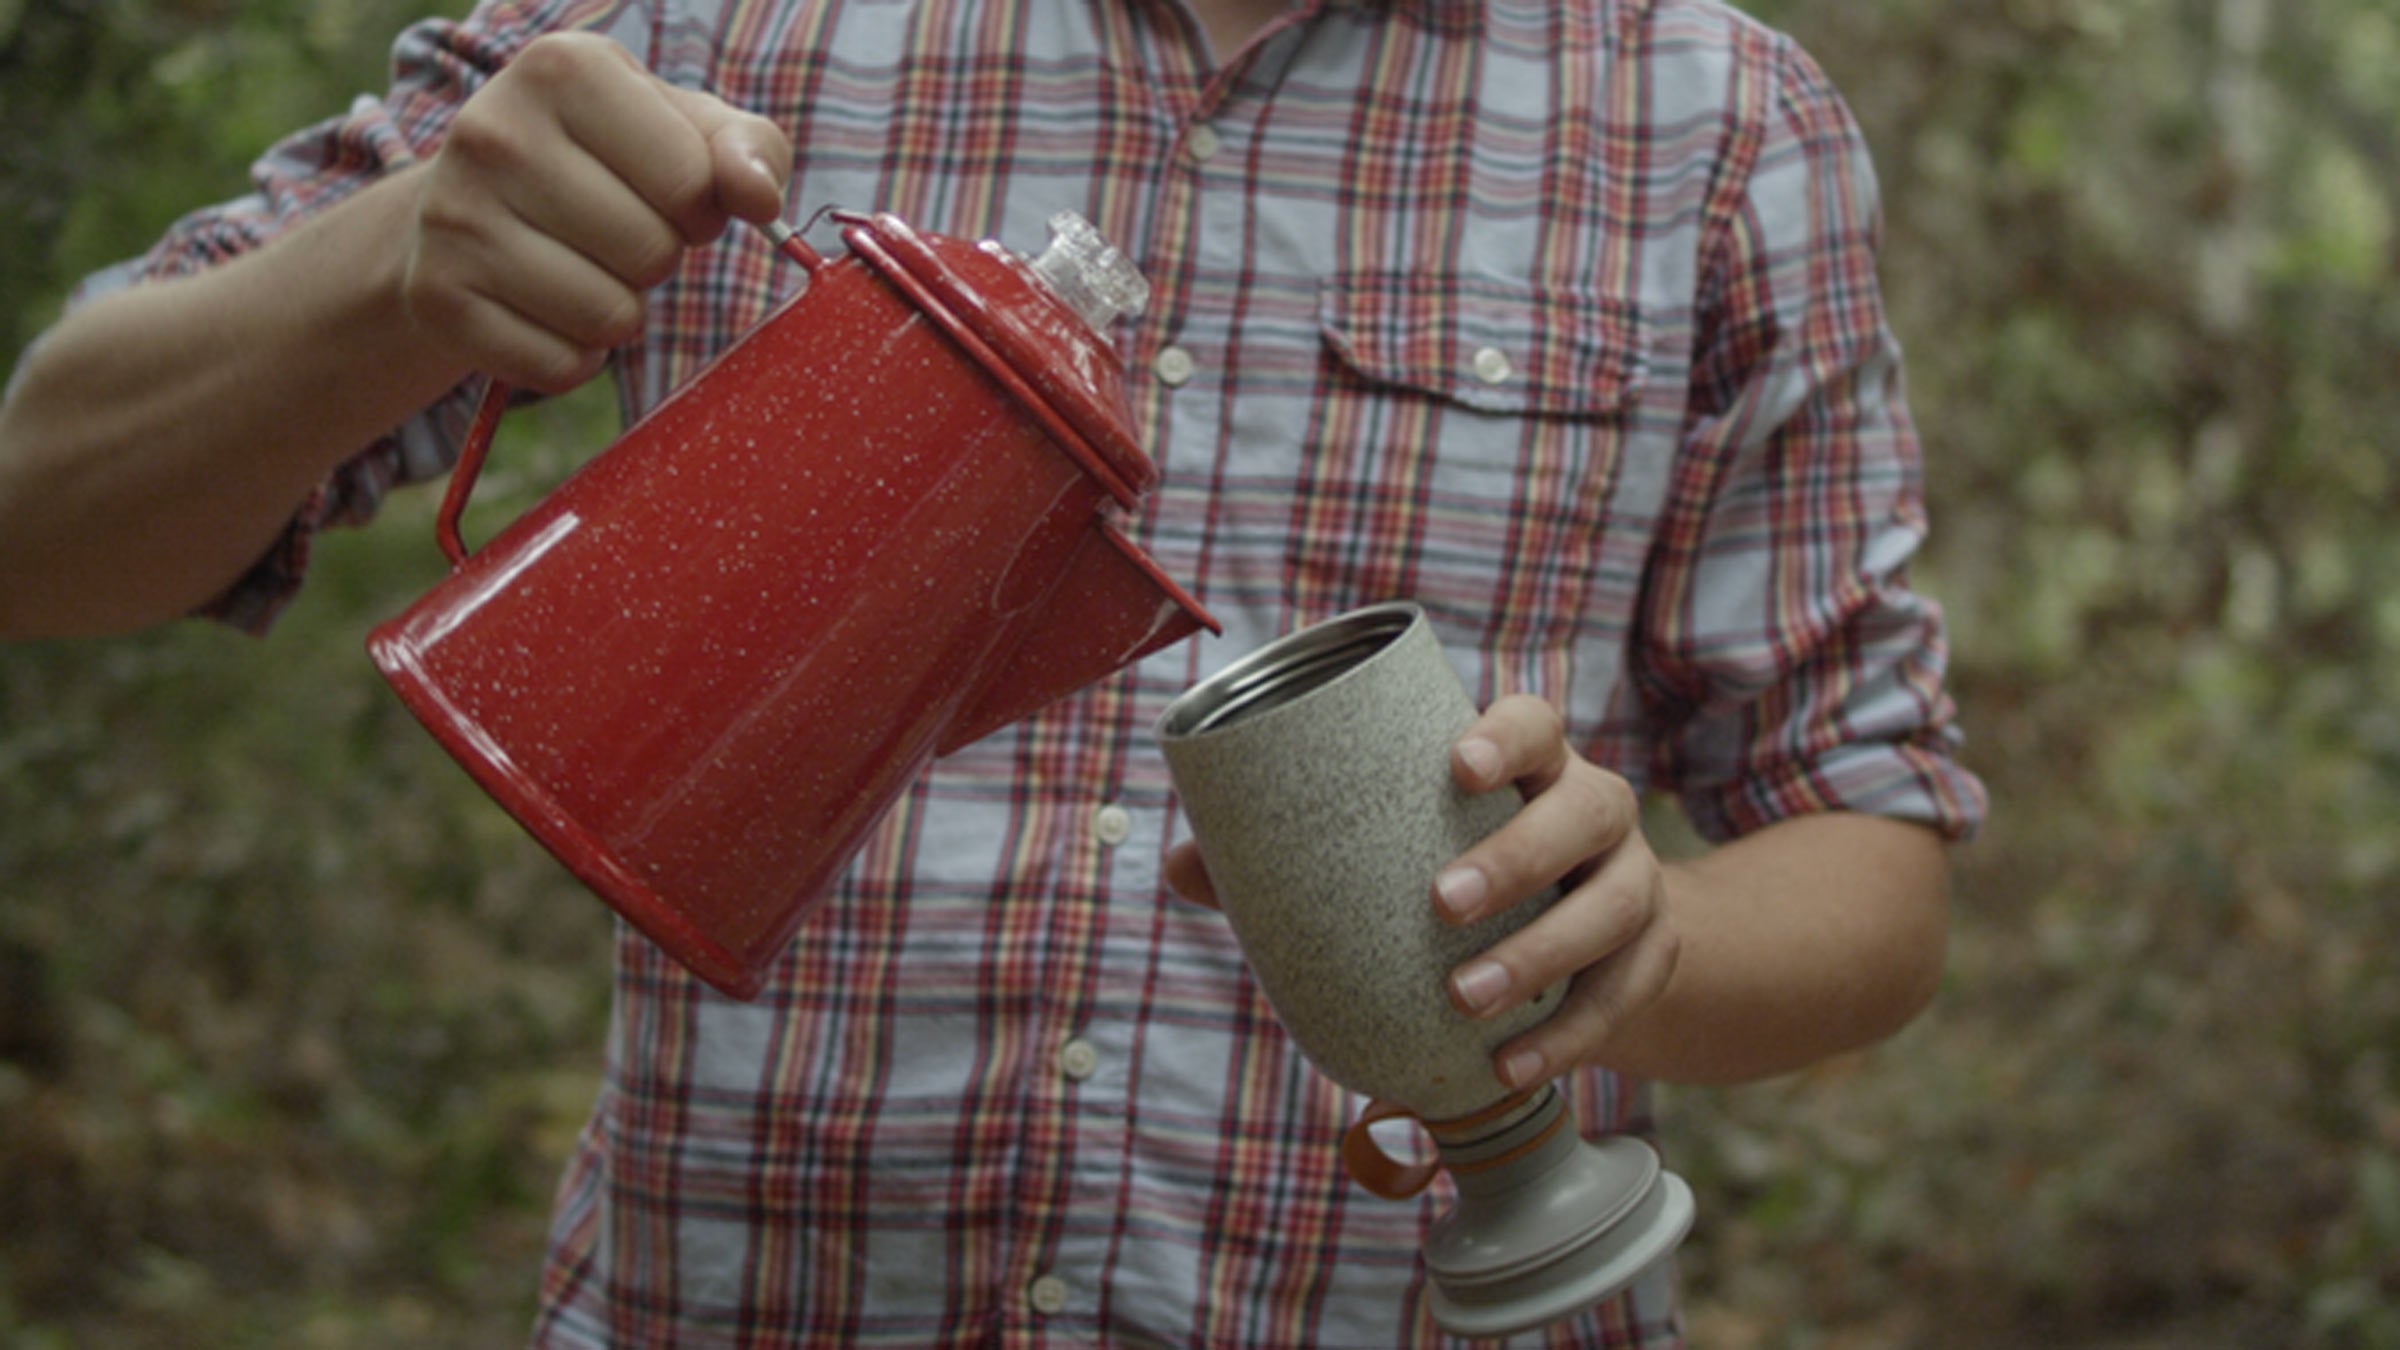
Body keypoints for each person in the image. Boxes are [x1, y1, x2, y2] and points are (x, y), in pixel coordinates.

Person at [0, 0, 1988, 1342]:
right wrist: (400, 261)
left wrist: (1636, 954)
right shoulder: (713, 26)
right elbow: (39, 516)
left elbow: (1870, 836)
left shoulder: (1713, 118)